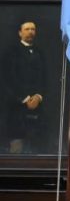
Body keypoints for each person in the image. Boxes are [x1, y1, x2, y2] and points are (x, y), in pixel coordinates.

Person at [1, 21, 47, 154]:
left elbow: (45, 79)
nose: (30, 32)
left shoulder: (40, 53)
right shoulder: (11, 52)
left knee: (36, 149)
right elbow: (6, 80)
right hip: (16, 109)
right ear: (20, 33)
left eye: (33, 29)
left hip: (37, 110)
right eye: (27, 29)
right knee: (17, 150)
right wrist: (25, 99)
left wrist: (38, 96)